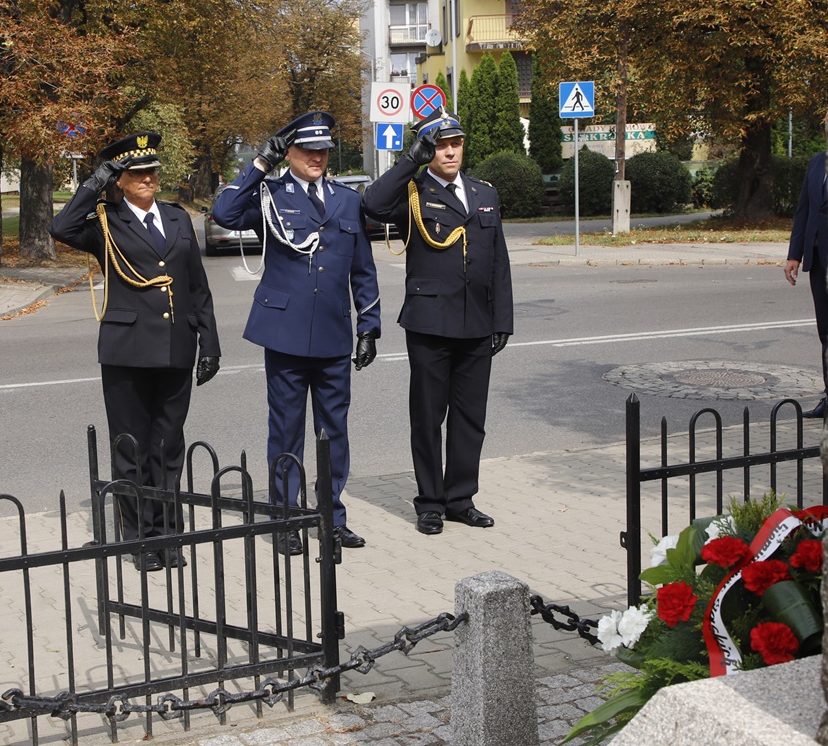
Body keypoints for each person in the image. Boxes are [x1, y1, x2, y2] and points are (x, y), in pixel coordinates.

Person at [212, 111, 380, 554]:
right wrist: (259, 164)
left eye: (323, 150)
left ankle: (331, 517)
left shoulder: (347, 200)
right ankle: (286, 518)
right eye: (308, 150)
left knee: (334, 432)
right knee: (286, 431)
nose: (317, 157)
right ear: (289, 152)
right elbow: (224, 212)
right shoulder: (270, 194)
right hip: (285, 333)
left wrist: (369, 326)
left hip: (333, 334)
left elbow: (363, 269)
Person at [50, 132, 220, 571]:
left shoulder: (177, 217)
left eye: (151, 171)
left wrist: (210, 343)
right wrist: (95, 181)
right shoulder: (104, 222)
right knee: (132, 448)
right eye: (136, 173)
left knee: (168, 446)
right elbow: (61, 227)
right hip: (126, 351)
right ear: (120, 180)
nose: (147, 178)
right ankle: (139, 539)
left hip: (176, 347)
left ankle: (168, 534)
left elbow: (197, 286)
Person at [361, 108, 513, 536]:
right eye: (440, 145)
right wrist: (411, 160)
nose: (449, 152)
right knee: (428, 418)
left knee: (470, 418)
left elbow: (498, 261)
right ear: (429, 150)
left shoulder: (484, 192)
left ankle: (460, 499)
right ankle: (429, 502)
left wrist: (502, 318)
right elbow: (372, 203)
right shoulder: (413, 192)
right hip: (430, 323)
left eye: (455, 143)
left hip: (477, 321)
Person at [784, 150, 828, 419]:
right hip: (818, 257)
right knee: (827, 333)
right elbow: (804, 210)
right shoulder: (817, 161)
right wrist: (794, 255)